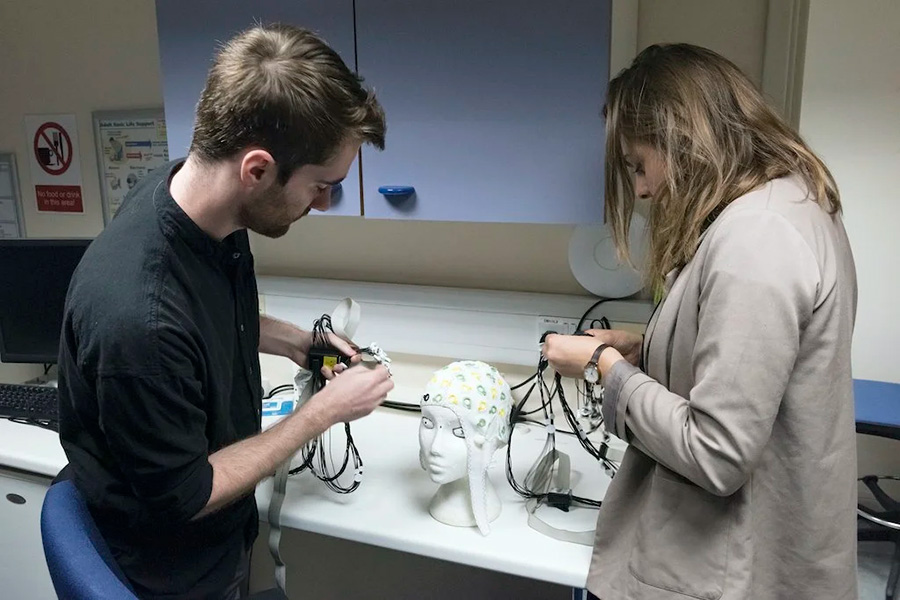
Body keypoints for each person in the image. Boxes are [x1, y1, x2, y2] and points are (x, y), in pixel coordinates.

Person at [57, 24, 391, 599]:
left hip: (218, 540)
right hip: (173, 573)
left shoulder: (193, 206)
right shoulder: (140, 319)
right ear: (257, 170)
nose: (325, 202)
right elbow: (187, 494)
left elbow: (203, 315)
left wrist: (296, 342)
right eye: (320, 186)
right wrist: (321, 414)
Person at [542, 44, 857, 600]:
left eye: (639, 164)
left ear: (682, 139)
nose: (640, 190)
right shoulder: (785, 208)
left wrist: (604, 368)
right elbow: (761, 365)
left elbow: (716, 452)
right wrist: (648, 349)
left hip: (725, 574)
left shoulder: (757, 238)